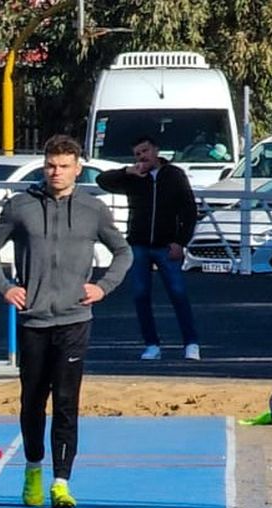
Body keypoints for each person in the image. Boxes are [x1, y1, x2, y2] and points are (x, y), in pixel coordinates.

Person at [0, 134, 130, 508]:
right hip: (33, 320)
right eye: (50, 165)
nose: (56, 172)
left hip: (75, 318)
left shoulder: (93, 209)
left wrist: (103, 287)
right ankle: (32, 469)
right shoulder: (21, 206)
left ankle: (61, 481)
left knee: (66, 401)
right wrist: (6, 287)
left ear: (78, 168)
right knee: (33, 400)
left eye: (64, 166)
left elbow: (123, 251)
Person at [95, 135, 202, 362]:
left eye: (145, 151)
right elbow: (102, 180)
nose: (142, 157)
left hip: (166, 244)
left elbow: (189, 210)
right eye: (137, 154)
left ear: (156, 151)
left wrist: (180, 242)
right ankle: (152, 344)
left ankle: (191, 343)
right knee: (140, 296)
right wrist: (127, 172)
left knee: (178, 294)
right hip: (139, 244)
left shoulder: (174, 175)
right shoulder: (135, 178)